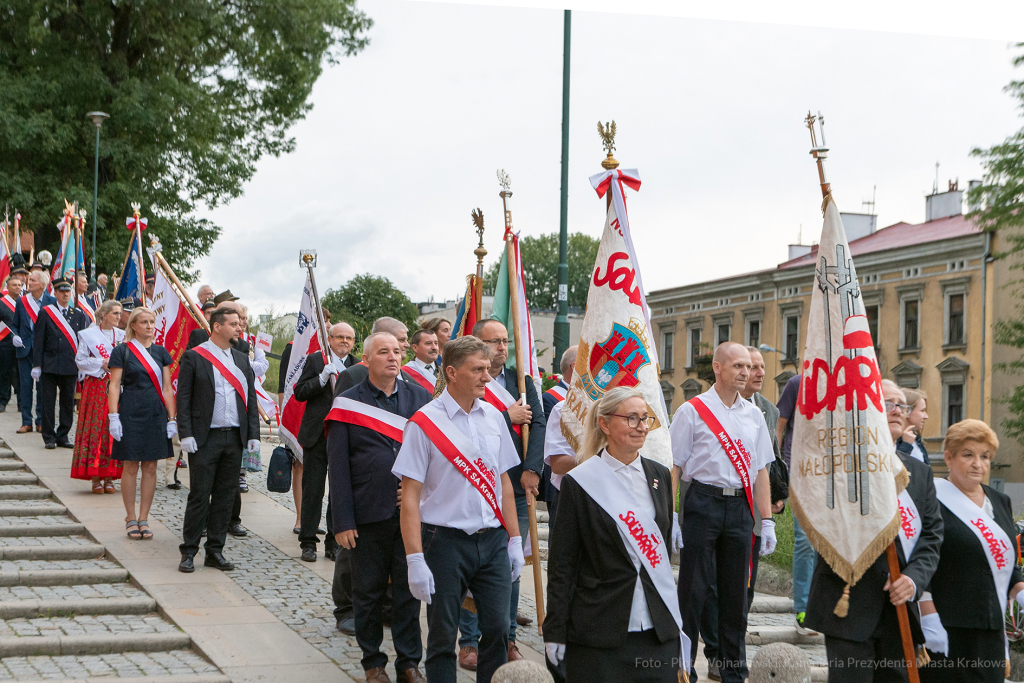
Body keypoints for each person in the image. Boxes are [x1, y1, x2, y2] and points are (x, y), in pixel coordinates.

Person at [393, 335, 524, 683]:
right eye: (478, 369)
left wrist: (514, 539)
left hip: (493, 540)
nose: (486, 376)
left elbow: (504, 483)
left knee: (498, 629)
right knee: (442, 635)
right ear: (451, 372)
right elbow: (409, 496)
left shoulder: (495, 417)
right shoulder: (424, 423)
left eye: (487, 369)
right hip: (444, 541)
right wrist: (414, 558)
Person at [804, 379, 943, 683]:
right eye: (887, 403)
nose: (896, 411)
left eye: (901, 405)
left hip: (900, 609)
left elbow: (932, 535)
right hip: (848, 605)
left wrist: (913, 579)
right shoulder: (841, 461)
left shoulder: (919, 472)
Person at [544, 387, 683, 683]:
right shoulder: (580, 482)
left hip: (658, 633)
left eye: (645, 418)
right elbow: (562, 565)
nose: (642, 427)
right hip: (600, 631)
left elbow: (660, 554)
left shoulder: (659, 476)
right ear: (605, 424)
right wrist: (555, 629)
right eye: (632, 419)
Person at [327, 332, 432, 683]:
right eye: (384, 351)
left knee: (407, 593)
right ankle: (373, 662)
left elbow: (434, 456)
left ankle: (408, 664)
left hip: (410, 515)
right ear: (367, 358)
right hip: (366, 513)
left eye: (397, 351)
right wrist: (342, 520)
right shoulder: (347, 401)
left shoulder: (420, 398)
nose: (393, 357)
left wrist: (423, 493)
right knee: (368, 594)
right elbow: (338, 467)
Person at [670, 341, 776, 683]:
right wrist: (671, 513)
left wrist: (767, 520)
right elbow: (673, 466)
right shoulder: (692, 410)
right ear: (718, 368)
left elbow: (760, 470)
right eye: (738, 366)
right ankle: (683, 668)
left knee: (736, 594)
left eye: (749, 366)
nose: (746, 372)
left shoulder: (754, 414)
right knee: (693, 590)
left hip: (740, 508)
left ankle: (733, 673)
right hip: (702, 502)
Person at [460, 319, 545, 668]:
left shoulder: (521, 380)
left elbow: (537, 421)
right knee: (472, 567)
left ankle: (507, 638)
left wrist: (532, 468)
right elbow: (460, 420)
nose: (501, 348)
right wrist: (506, 414)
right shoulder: (467, 380)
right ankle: (468, 642)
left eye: (505, 341)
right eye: (493, 341)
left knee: (509, 566)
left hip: (515, 484)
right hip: (477, 484)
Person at [698, 346, 787, 679]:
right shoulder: (704, 408)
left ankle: (733, 656)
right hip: (712, 504)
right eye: (750, 366)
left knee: (741, 589)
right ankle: (716, 652)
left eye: (759, 366)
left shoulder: (766, 410)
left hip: (750, 510)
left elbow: (770, 463)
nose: (757, 372)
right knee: (712, 587)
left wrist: (776, 503)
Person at [917, 419, 1021, 683]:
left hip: (991, 628)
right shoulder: (932, 498)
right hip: (946, 627)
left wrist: (1020, 591)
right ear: (949, 458)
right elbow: (921, 560)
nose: (978, 464)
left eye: (985, 456)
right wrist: (928, 616)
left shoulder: (1000, 501)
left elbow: (1006, 562)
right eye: (968, 455)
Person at [176, 306, 259, 572]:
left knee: (225, 497)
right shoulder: (194, 357)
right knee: (199, 496)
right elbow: (184, 398)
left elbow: (251, 400)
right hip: (205, 438)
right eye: (234, 324)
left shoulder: (241, 359)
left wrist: (253, 436)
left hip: (234, 437)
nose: (239, 328)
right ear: (217, 326)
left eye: (239, 324)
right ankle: (188, 552)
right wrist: (185, 433)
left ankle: (215, 551)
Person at [107, 307, 177, 541]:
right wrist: (113, 416)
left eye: (152, 321)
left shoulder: (161, 353)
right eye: (144, 322)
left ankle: (144, 517)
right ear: (134, 325)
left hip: (155, 413)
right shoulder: (122, 351)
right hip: (130, 412)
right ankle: (130, 517)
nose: (149, 326)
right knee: (130, 465)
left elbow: (167, 387)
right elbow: (114, 385)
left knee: (150, 466)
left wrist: (172, 418)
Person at [293, 321, 357, 562]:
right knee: (313, 490)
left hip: (345, 437)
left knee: (339, 493)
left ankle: (334, 541)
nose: (344, 341)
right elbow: (299, 392)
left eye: (348, 338)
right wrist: (321, 379)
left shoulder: (357, 365)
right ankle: (308, 541)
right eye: (339, 337)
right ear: (329, 339)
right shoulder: (317, 360)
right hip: (317, 435)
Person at [775, 372, 817, 634]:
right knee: (805, 540)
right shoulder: (797, 384)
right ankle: (803, 608)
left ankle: (824, 604)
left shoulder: (844, 384)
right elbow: (780, 427)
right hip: (798, 471)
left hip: (833, 474)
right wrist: (777, 471)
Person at [73, 300, 125, 493]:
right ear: (103, 315)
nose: (119, 317)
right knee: (96, 429)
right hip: (96, 386)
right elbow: (80, 361)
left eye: (120, 313)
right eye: (115, 313)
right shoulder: (89, 335)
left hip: (117, 386)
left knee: (114, 429)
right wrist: (101, 363)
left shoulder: (123, 335)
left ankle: (110, 475)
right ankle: (96, 476)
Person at [33, 276, 90, 449]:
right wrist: (36, 365)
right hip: (50, 364)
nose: (65, 294)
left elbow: (82, 342)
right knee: (48, 403)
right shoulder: (46, 312)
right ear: (55, 293)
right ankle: (49, 437)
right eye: (62, 291)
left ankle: (63, 435)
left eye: (68, 291)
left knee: (67, 403)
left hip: (69, 365)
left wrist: (82, 364)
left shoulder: (78, 315)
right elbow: (39, 340)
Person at [13, 270, 54, 433]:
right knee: (25, 386)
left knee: (44, 388)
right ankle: (26, 421)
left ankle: (41, 420)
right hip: (25, 349)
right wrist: (15, 335)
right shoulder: (22, 301)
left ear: (43, 285)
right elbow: (15, 324)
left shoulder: (51, 301)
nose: (29, 283)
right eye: (29, 280)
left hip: (44, 351)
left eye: (34, 281)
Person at [334, 317, 413, 395]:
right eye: (402, 340)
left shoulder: (410, 380)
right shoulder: (353, 376)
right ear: (382, 337)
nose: (407, 345)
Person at [0, 276, 22, 413]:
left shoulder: (25, 303)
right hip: (5, 344)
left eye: (20, 285)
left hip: (21, 345)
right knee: (4, 373)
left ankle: (22, 402)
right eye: (14, 285)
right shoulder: (1, 303)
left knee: (21, 374)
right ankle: (2, 400)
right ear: (7, 287)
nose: (18, 287)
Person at [403, 329, 440, 393]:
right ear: (415, 348)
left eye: (436, 343)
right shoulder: (404, 373)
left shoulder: (445, 372)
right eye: (428, 343)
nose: (434, 347)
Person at [899, 389, 929, 464]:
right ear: (907, 411)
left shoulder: (917, 441)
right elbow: (895, 470)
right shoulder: (892, 440)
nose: (926, 416)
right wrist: (906, 445)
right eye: (922, 410)